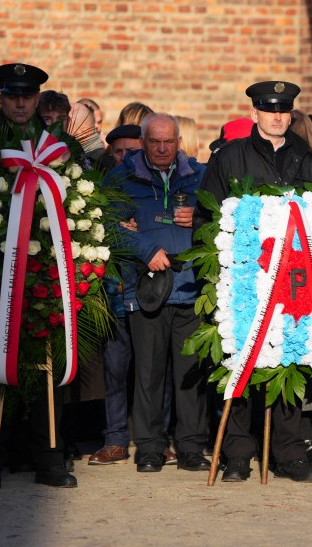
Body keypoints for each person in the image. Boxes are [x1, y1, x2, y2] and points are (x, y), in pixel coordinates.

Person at [195, 81, 312, 483]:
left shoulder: (305, 157)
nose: (277, 116)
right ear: (254, 113)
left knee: (287, 357)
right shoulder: (229, 157)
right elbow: (206, 216)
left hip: (291, 278)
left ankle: (287, 450)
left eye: (284, 110)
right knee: (241, 360)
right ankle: (238, 452)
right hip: (243, 279)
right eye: (269, 109)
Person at [0, 63, 74, 490]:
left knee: (47, 367)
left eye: (27, 97)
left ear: (37, 100)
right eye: (12, 96)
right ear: (0, 98)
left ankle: (48, 458)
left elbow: (75, 202)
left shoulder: (57, 145)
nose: (19, 103)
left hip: (45, 272)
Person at [106, 113, 209, 474]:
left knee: (189, 373)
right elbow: (104, 225)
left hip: (192, 288)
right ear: (143, 141)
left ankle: (191, 447)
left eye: (169, 141)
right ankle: (149, 447)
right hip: (144, 287)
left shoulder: (201, 174)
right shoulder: (121, 177)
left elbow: (221, 218)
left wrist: (198, 216)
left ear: (179, 141)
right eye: (155, 142)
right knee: (148, 374)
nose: (162, 149)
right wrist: (144, 248)